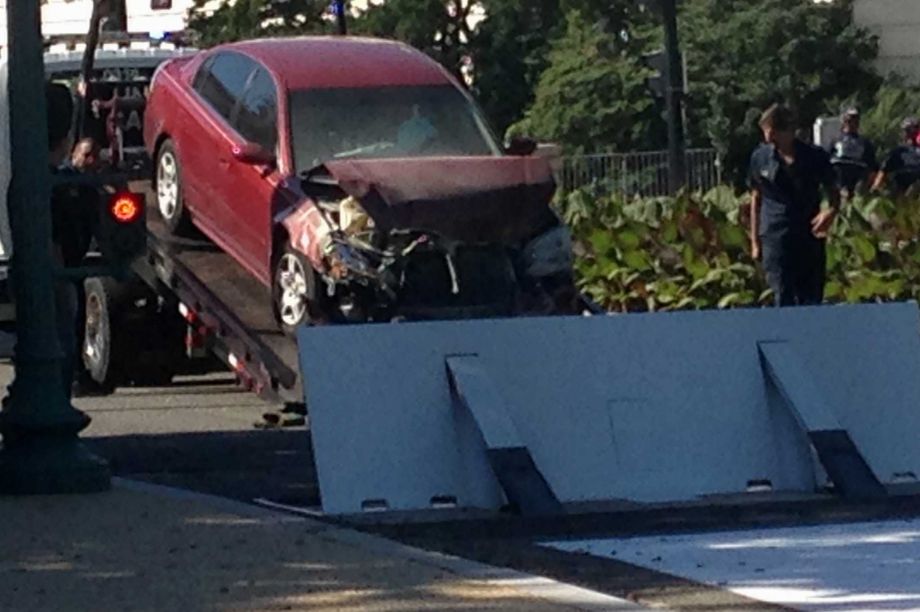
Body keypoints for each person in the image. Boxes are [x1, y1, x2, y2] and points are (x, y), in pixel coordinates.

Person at [748, 103, 841, 307]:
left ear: (788, 131)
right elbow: (756, 199)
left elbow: (834, 191)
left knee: (811, 298)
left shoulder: (815, 157)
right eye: (766, 133)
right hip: (775, 237)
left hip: (809, 236)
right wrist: (755, 242)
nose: (769, 139)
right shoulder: (760, 157)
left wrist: (830, 212)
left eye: (773, 133)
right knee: (783, 296)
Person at [46, 83, 99, 398]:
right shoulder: (57, 184)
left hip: (63, 271)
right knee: (61, 338)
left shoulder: (43, 180)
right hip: (60, 273)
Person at [828, 108, 878, 198]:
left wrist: (870, 184)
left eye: (855, 121)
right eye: (849, 121)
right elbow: (828, 161)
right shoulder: (836, 140)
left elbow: (872, 166)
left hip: (857, 176)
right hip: (840, 177)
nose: (852, 124)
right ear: (844, 122)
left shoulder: (864, 143)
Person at [872, 118, 920, 196]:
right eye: (908, 130)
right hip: (900, 185)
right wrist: (876, 186)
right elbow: (884, 169)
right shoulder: (899, 151)